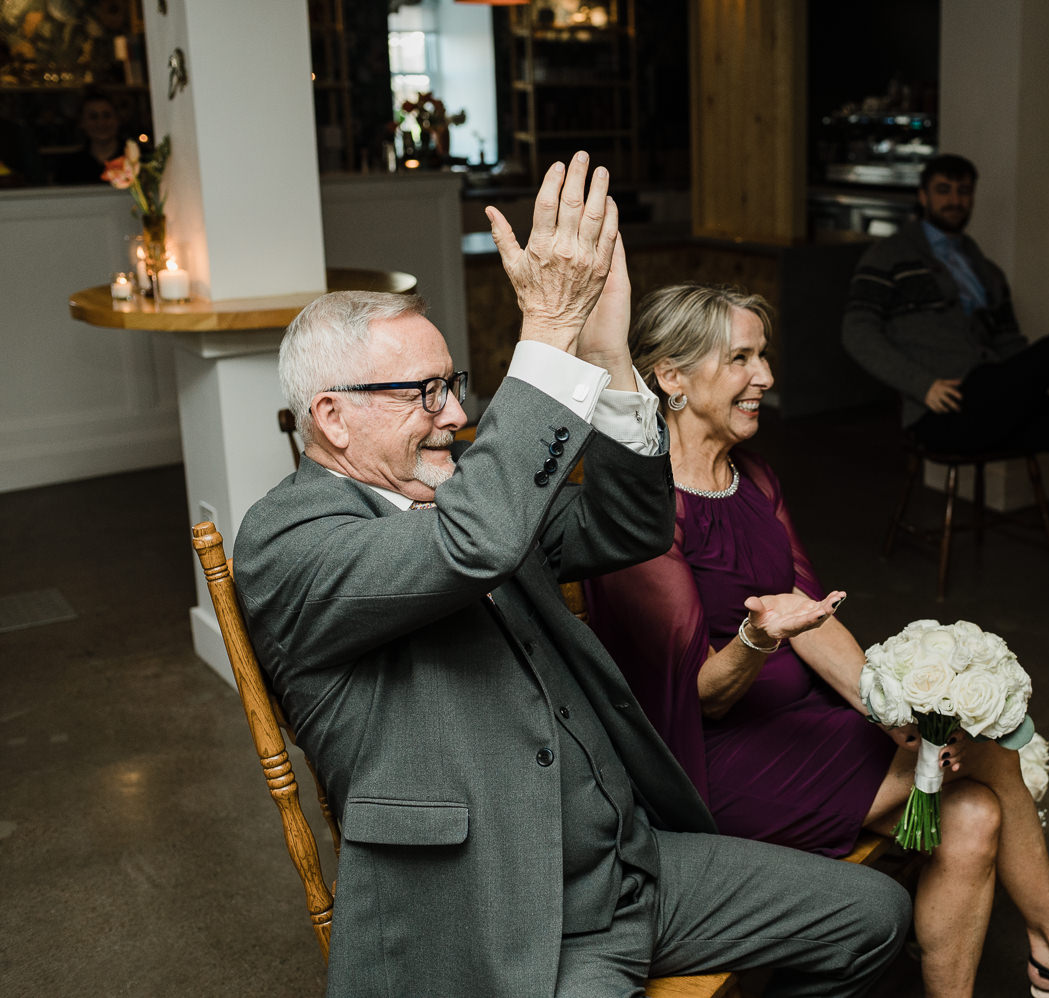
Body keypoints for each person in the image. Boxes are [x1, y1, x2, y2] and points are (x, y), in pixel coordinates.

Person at [233, 152, 910, 997]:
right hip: (506, 917)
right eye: (426, 392)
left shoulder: (475, 492)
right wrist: (547, 334)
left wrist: (610, 358)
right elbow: (467, 549)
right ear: (331, 417)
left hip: (632, 867)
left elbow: (625, 524)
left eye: (456, 385)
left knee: (873, 915)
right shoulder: (288, 541)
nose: (458, 413)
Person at [585, 282, 1049, 998]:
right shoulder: (646, 510)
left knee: (971, 813)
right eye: (741, 359)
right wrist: (755, 638)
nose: (767, 377)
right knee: (992, 753)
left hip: (801, 725)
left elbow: (813, 619)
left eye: (763, 355)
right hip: (713, 766)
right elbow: (697, 700)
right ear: (672, 377)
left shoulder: (754, 479)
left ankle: (1048, 961)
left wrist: (895, 709)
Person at [842, 153, 1049, 599]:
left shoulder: (983, 267)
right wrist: (922, 384)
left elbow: (1011, 344)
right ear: (923, 196)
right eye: (944, 190)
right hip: (945, 412)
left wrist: (1038, 386)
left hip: (995, 401)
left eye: (963, 191)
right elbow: (856, 331)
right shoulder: (889, 257)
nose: (955, 200)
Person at [51, 90, 125, 185]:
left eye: (107, 115)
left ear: (117, 119)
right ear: (82, 123)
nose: (101, 123)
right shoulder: (69, 166)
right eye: (93, 117)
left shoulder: (138, 161)